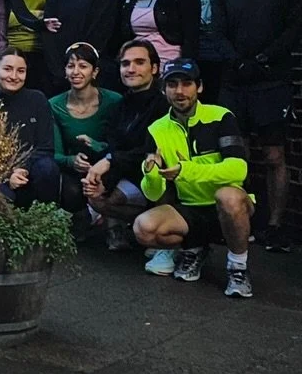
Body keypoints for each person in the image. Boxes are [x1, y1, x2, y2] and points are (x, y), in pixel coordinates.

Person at [214, 0, 302, 252]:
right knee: (237, 154)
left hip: (272, 82)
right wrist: (237, 61)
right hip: (234, 82)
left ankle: (276, 226)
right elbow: (218, 32)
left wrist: (264, 59)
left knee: (274, 155)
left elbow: (294, 30)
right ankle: (241, 220)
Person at [133, 59, 254, 296]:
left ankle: (238, 267)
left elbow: (238, 169)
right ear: (163, 89)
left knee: (227, 196)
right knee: (143, 228)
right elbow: (153, 193)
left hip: (231, 206)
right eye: (172, 84)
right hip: (190, 208)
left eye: (187, 84)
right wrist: (151, 173)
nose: (179, 91)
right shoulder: (156, 129)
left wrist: (186, 170)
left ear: (199, 87)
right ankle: (194, 248)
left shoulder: (221, 117)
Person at [82, 40, 170, 254]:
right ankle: (120, 228)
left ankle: (163, 237)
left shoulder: (164, 105)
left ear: (155, 68)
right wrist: (103, 181)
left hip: (158, 177)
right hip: (126, 172)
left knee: (116, 196)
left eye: (140, 62)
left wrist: (110, 163)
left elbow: (151, 152)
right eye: (125, 63)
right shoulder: (119, 106)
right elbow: (113, 147)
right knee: (94, 193)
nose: (131, 69)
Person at [42, 0, 125, 92]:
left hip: (98, 73)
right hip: (62, 76)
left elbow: (105, 33)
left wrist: (86, 67)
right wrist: (64, 72)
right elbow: (49, 38)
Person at [48, 42, 121, 214]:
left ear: (94, 72)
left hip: (109, 168)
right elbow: (52, 153)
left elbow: (122, 147)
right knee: (72, 192)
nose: (76, 72)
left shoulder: (114, 101)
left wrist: (97, 146)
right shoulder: (53, 105)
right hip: (73, 174)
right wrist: (71, 161)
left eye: (83, 66)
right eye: (70, 66)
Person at [0, 50, 59, 206]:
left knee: (47, 167)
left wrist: (22, 168)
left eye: (21, 71)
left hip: (30, 169)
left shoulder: (37, 99)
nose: (14, 76)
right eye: (7, 69)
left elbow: (46, 147)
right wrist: (7, 173)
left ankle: (46, 218)